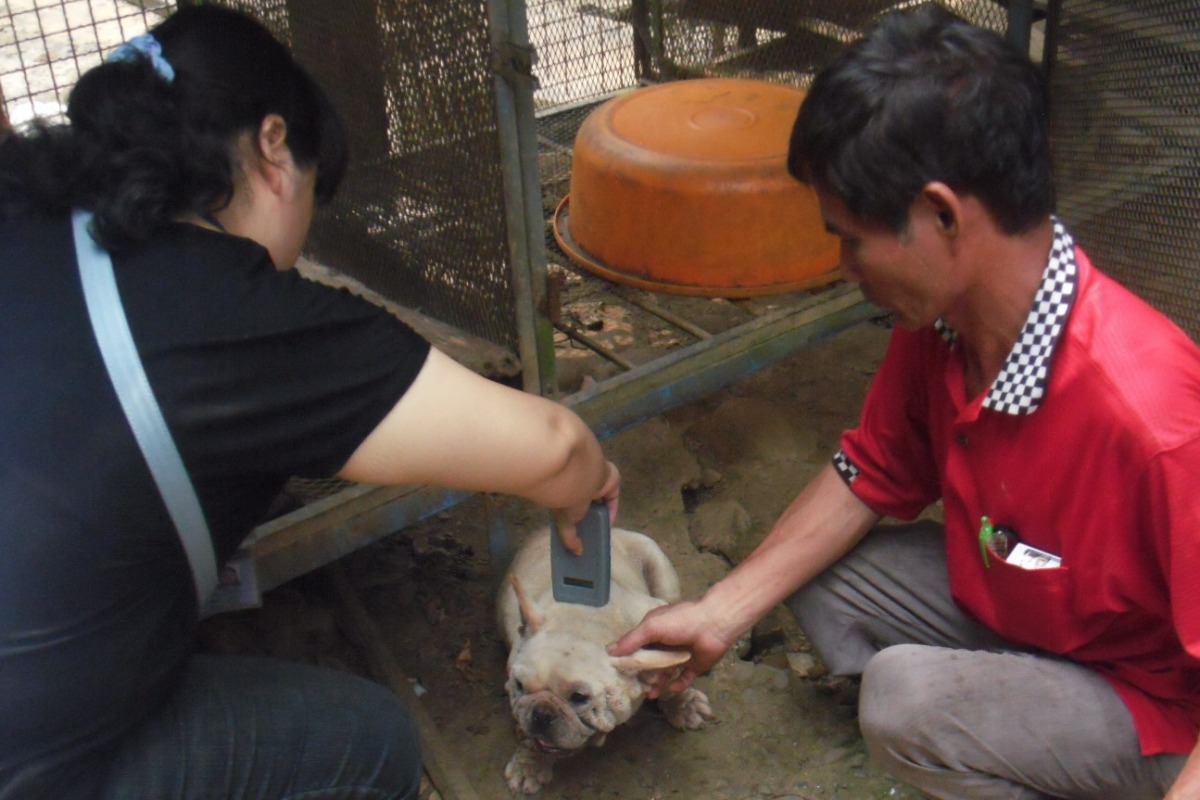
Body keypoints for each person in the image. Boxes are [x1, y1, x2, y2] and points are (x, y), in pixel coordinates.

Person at [0, 6, 619, 800]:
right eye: (310, 198)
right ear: (271, 146)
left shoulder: (27, 214)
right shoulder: (229, 311)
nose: (298, 244)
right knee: (364, 742)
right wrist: (584, 492)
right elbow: (555, 448)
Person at [611, 7, 1199, 799]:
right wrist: (720, 611)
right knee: (817, 580)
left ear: (943, 216)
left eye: (852, 238)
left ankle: (1025, 752)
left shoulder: (1159, 418)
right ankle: (1009, 730)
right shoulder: (949, 324)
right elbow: (872, 470)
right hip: (1037, 611)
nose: (845, 265)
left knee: (905, 701)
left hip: (1156, 710)